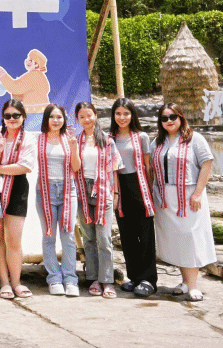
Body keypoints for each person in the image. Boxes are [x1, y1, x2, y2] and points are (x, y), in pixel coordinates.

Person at [152, 103, 215, 302]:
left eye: (173, 117)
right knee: (176, 240)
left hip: (188, 196)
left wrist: (198, 193)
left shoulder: (194, 139)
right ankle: (185, 281)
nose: (169, 121)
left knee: (190, 238)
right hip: (165, 198)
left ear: (180, 117)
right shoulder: (157, 142)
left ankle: (193, 285)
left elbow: (207, 164)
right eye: (164, 118)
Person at [110, 97, 158, 297]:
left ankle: (149, 280)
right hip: (119, 187)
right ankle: (135, 277)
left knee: (145, 234)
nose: (122, 117)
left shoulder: (141, 137)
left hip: (139, 187)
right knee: (127, 235)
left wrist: (151, 192)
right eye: (118, 113)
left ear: (132, 115)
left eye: (126, 113)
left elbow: (148, 166)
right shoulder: (109, 138)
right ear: (113, 115)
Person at [74, 101, 123, 299]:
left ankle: (107, 280)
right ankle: (94, 278)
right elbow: (73, 167)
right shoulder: (76, 141)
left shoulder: (107, 140)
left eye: (89, 115)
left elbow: (115, 168)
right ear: (77, 119)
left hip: (103, 190)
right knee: (89, 237)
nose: (86, 119)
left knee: (104, 238)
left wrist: (116, 193)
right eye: (82, 117)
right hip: (82, 190)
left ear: (95, 115)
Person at [36, 103, 81, 296]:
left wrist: (74, 148)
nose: (55, 120)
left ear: (64, 120)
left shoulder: (68, 139)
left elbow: (76, 167)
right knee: (49, 236)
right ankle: (54, 278)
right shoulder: (38, 139)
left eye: (59, 117)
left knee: (68, 236)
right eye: (52, 117)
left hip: (67, 190)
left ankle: (70, 279)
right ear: (46, 119)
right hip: (44, 191)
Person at [0, 98, 36, 300]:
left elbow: (24, 167)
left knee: (14, 239)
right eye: (8, 116)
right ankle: (4, 282)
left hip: (17, 188)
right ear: (3, 118)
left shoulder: (28, 138)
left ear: (23, 117)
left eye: (16, 115)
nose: (12, 119)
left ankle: (16, 282)